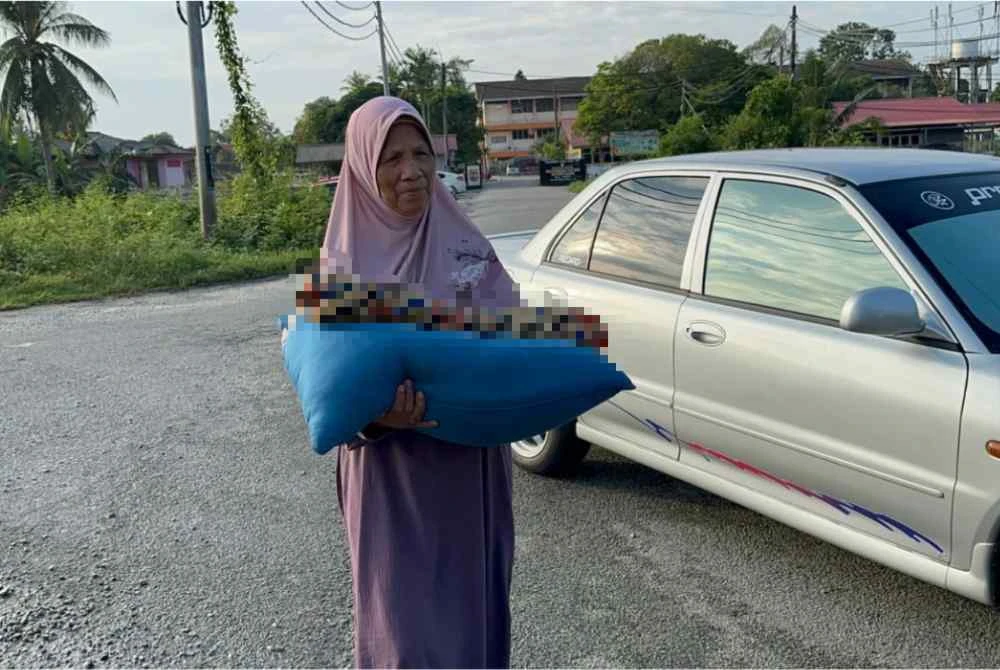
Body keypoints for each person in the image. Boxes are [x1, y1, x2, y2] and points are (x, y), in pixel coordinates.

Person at [317, 96, 519, 669]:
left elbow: (513, 332)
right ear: (361, 166)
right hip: (393, 481)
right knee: (403, 625)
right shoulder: (342, 265)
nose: (412, 171)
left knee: (473, 614)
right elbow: (327, 395)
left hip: (470, 474)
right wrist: (377, 418)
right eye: (392, 158)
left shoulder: (466, 244)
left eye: (421, 154)